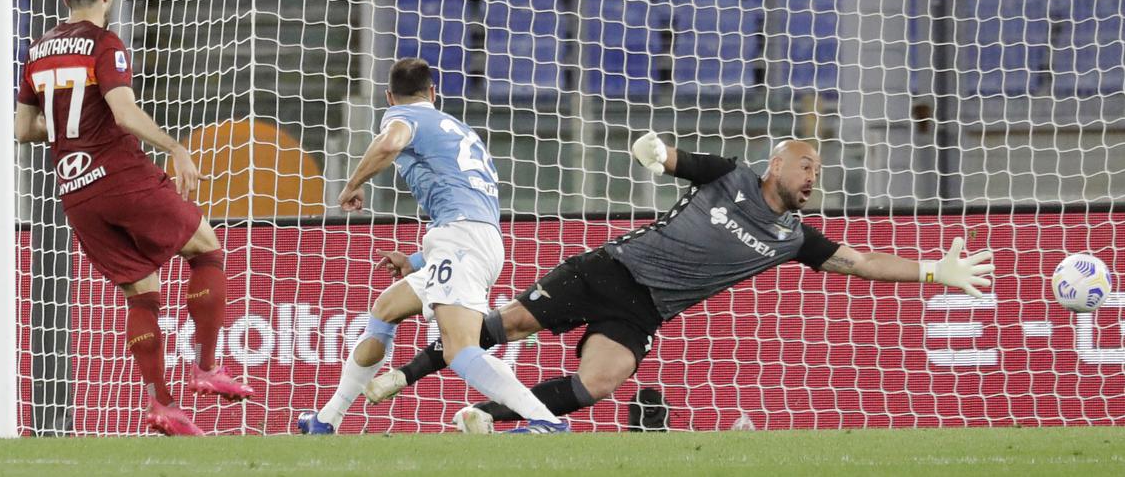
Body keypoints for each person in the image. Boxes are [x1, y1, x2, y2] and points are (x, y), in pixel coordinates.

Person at [363, 133, 994, 433]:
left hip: (647, 307)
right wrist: (652, 151)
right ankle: (405, 374)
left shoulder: (795, 238)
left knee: (601, 381)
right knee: (514, 322)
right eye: (806, 165)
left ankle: (481, 413)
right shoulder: (731, 175)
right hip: (610, 268)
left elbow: (861, 263)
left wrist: (935, 270)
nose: (813, 177)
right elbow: (671, 160)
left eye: (819, 171)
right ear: (777, 162)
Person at [15, 0, 253, 436]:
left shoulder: (37, 52)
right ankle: (207, 368)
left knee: (141, 292)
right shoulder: (106, 44)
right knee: (206, 247)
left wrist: (65, 129)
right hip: (119, 175)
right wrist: (176, 148)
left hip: (76, 193)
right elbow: (123, 114)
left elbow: (23, 129)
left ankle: (162, 405)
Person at [297, 57, 569, 435]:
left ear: (390, 96)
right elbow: (465, 206)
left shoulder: (403, 118)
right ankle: (327, 420)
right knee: (384, 311)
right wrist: (416, 259)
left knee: (460, 349)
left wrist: (352, 183)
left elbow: (390, 142)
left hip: (462, 240)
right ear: (433, 92)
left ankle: (545, 420)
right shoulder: (458, 129)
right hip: (472, 238)